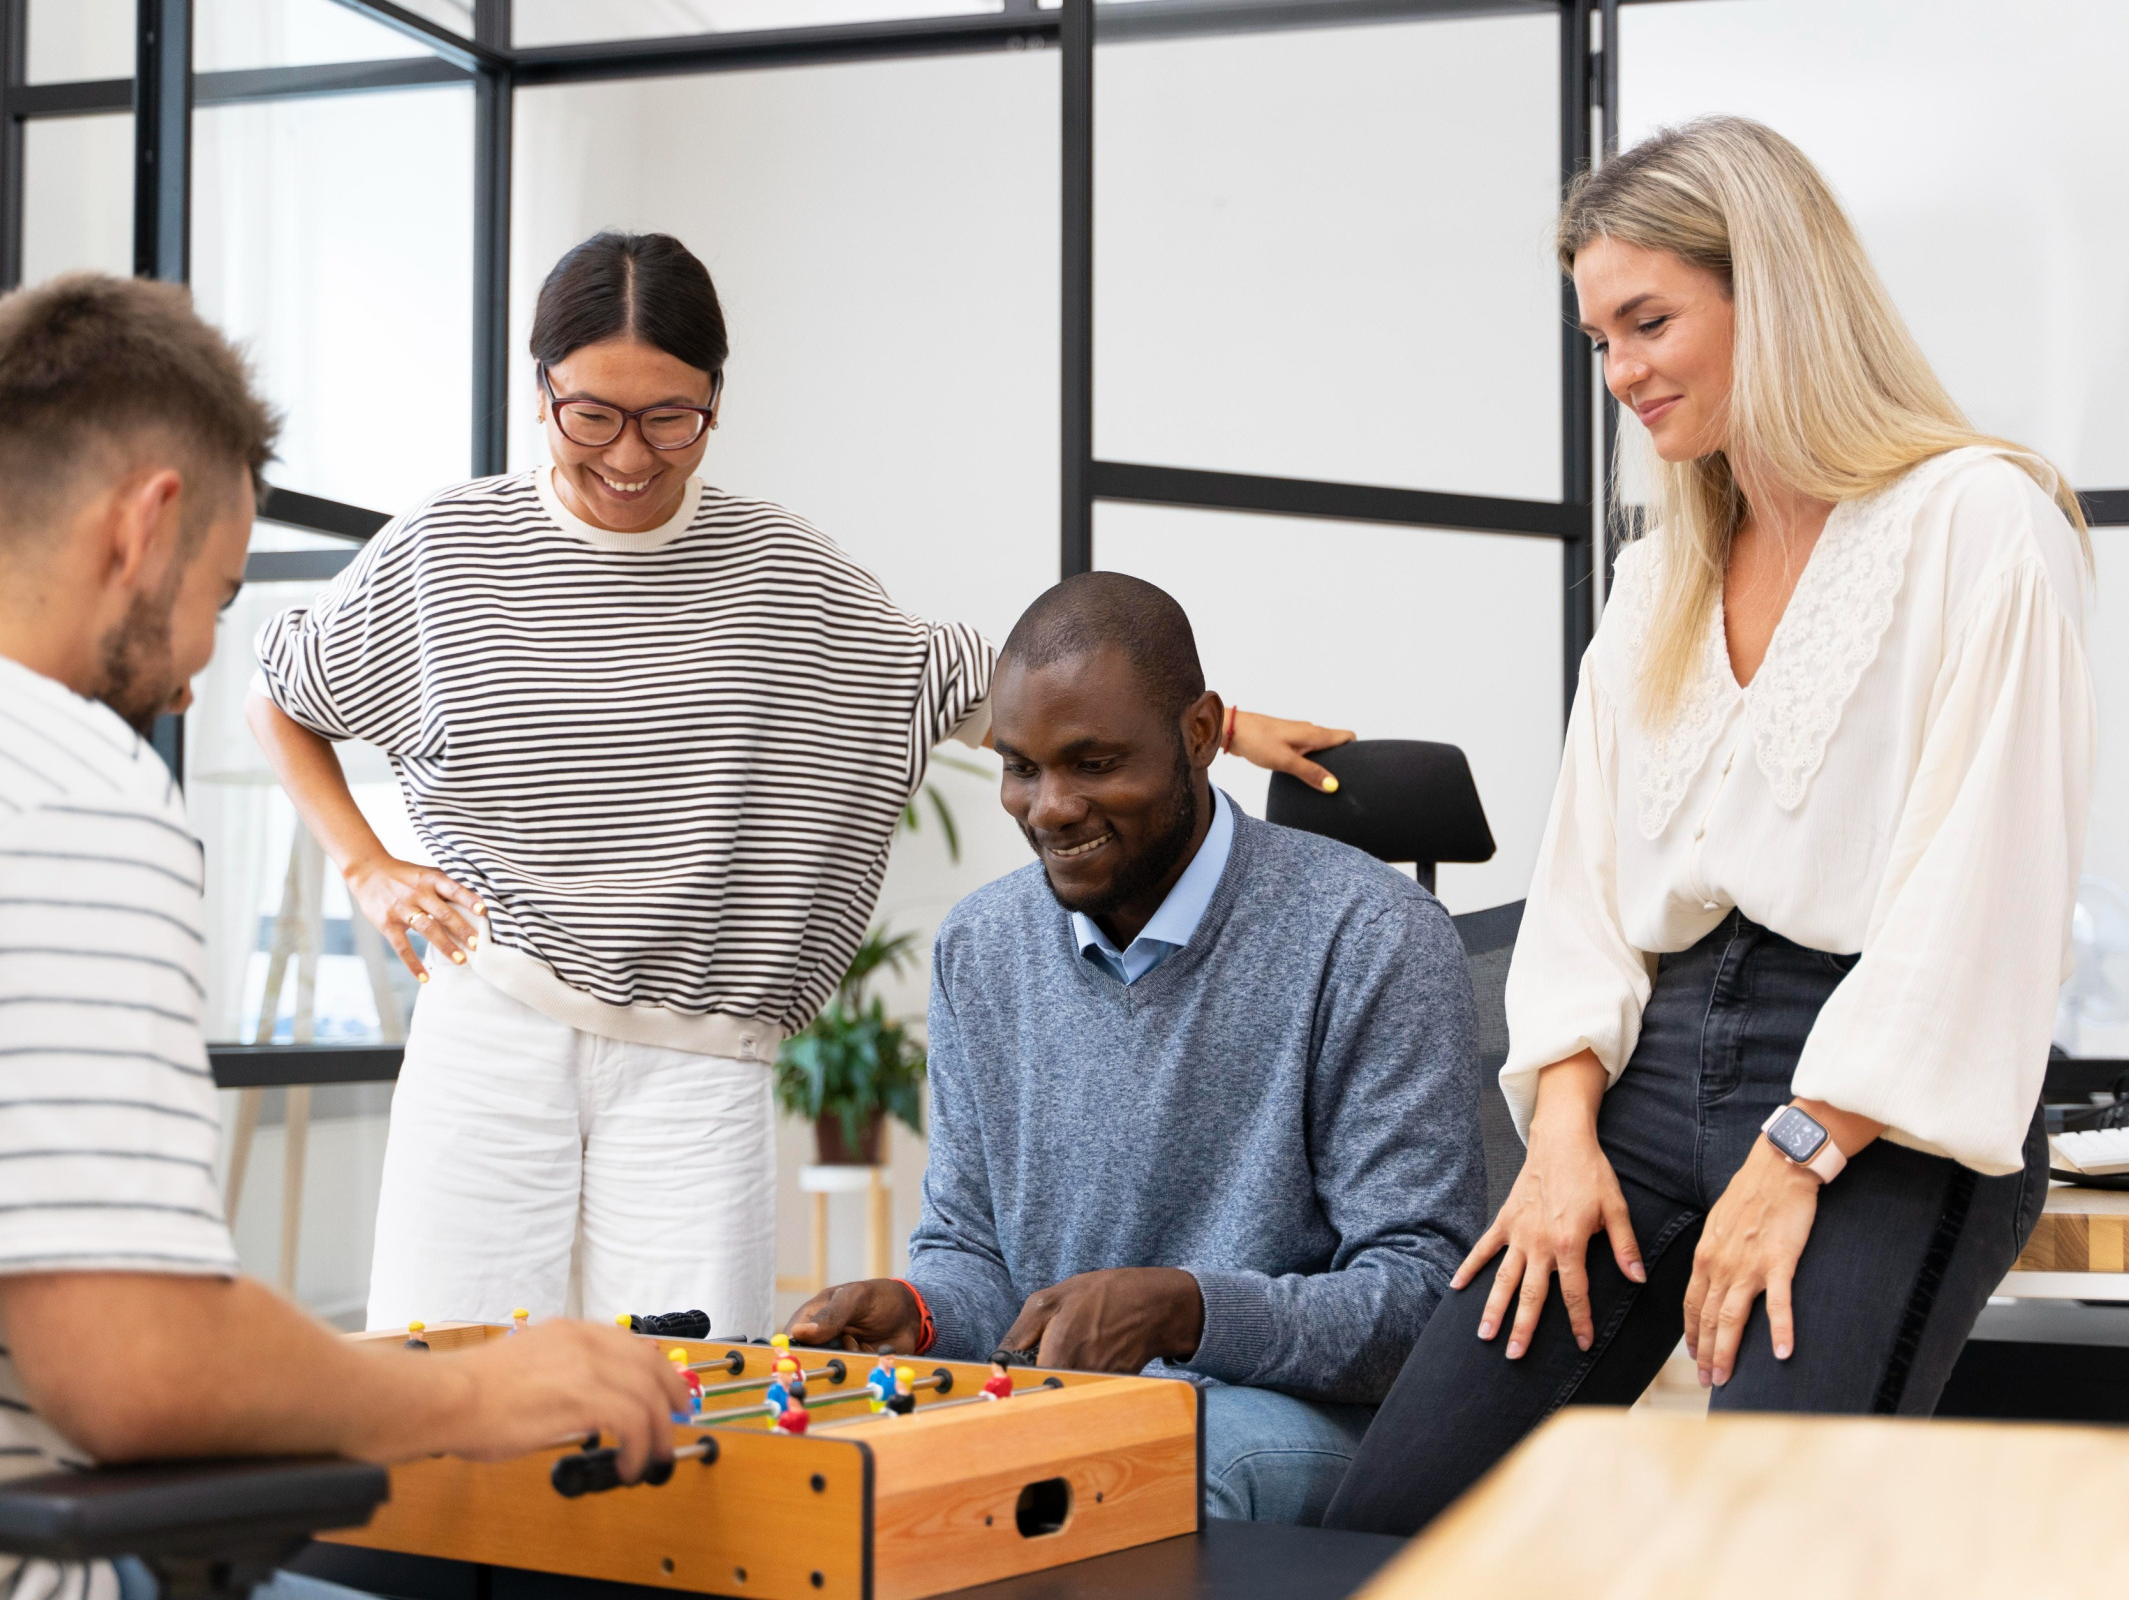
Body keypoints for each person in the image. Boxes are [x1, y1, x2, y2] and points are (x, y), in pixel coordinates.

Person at [0, 274, 681, 1600]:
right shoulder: (58, 785)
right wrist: (470, 1390)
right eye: (221, 599)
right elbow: (137, 1368)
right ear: (146, 525)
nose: (191, 679)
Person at [244, 231, 1350, 1337]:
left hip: (698, 1060)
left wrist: (1228, 726)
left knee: (690, 1421)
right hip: (490, 1024)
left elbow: (987, 690)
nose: (631, 455)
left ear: (715, 402)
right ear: (542, 391)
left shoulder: (781, 572)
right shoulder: (449, 549)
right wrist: (370, 866)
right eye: (594, 414)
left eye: (671, 417)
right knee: (443, 1388)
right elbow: (280, 693)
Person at [1326, 118, 2092, 1535]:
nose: (1621, 374)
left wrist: (1799, 1152)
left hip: (1879, 1105)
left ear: (1776, 291)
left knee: (1760, 1535)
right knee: (1392, 1524)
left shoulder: (1983, 524)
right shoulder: (1658, 573)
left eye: (1649, 322)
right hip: (1639, 1078)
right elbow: (1582, 890)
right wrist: (1558, 1139)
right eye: (1599, 341)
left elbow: (1980, 905)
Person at [785, 573, 1484, 1524]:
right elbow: (972, 1252)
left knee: (1120, 1489)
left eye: (1094, 763)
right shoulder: (980, 948)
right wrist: (920, 1311)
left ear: (1199, 734)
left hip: (1298, 1417)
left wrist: (1186, 1311)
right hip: (1071, 1410)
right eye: (1021, 767)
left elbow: (1418, 1308)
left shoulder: (1372, 936)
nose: (1051, 807)